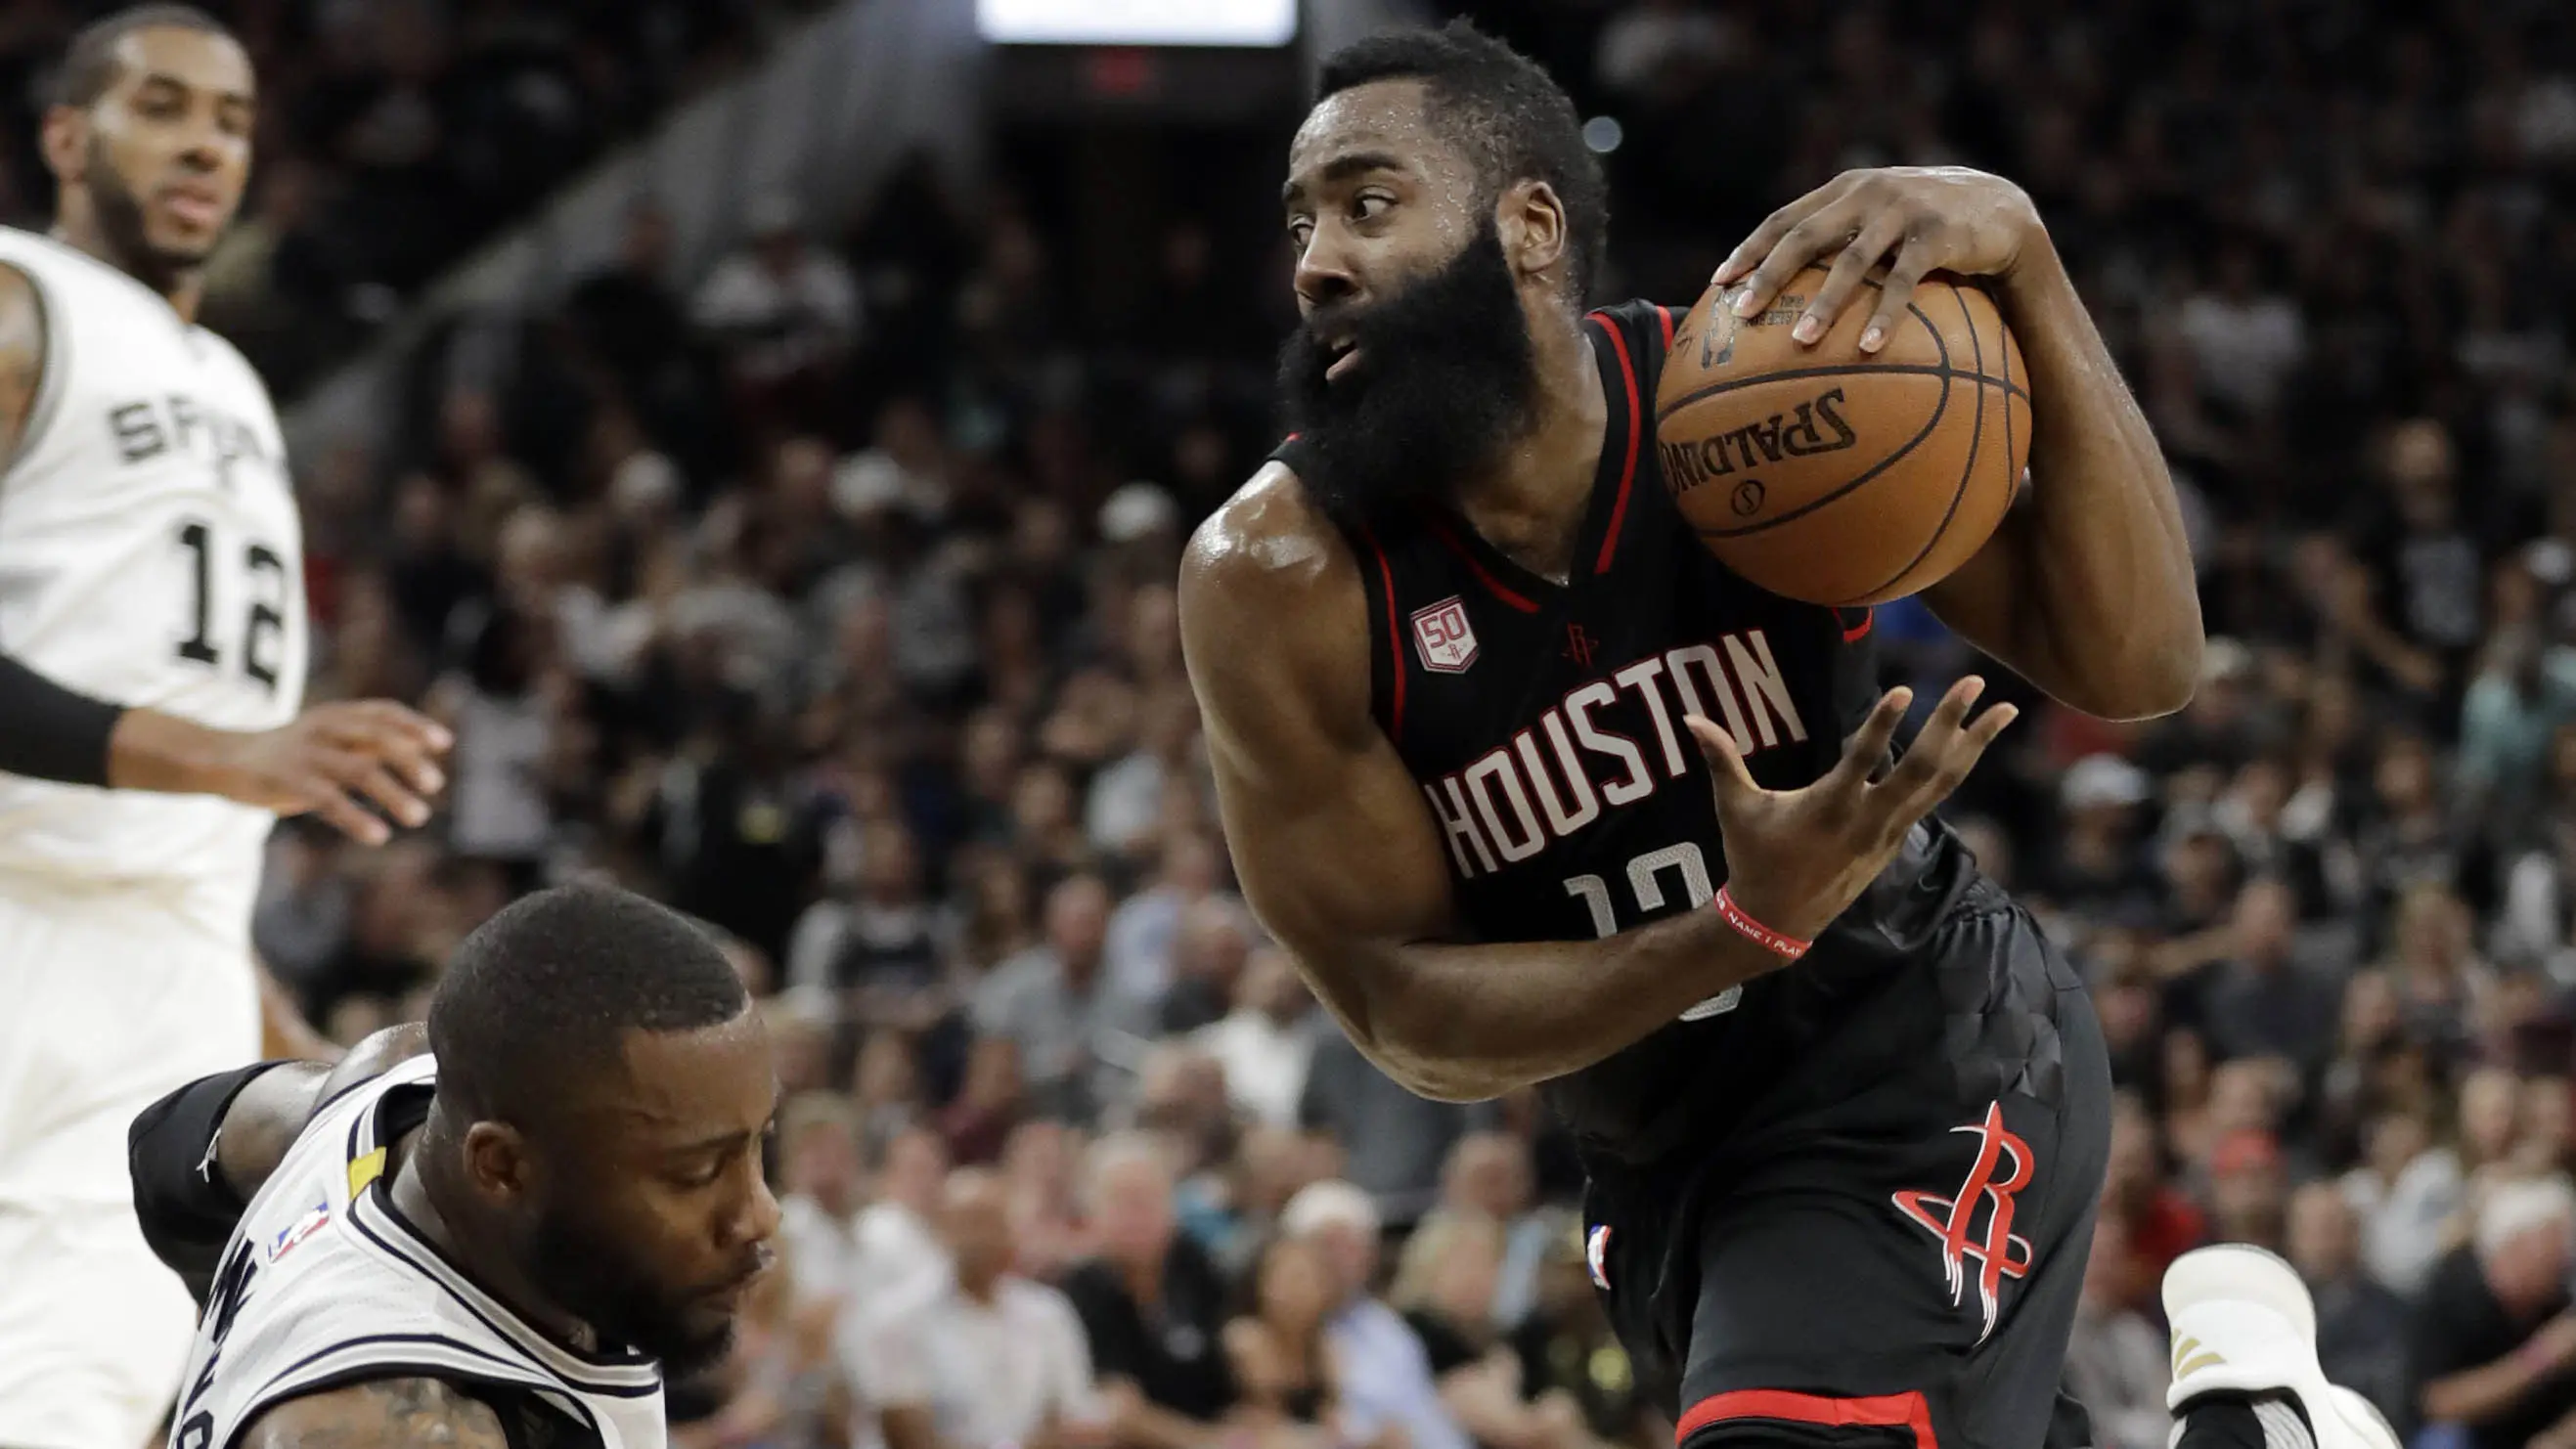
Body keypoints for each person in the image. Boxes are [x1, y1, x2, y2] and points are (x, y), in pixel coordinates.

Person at [1179, 19, 2201, 1447]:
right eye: (1299, 222)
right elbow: (1401, 1007)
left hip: (1916, 1044)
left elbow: (2140, 660)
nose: (1314, 264)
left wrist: (2025, 259)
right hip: (1661, 1161)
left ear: (1529, 228)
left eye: (1366, 202)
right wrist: (1738, 923)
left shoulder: (1746, 413)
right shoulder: (1275, 576)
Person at [0, 10, 452, 1446]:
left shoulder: (236, 386)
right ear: (69, 138)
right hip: (29, 929)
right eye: (163, 107)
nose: (206, 140)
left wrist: (268, 1010)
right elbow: (190, 752)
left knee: (119, 1392)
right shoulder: (22, 307)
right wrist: (233, 755)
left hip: (166, 962)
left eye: (235, 119)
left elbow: (171, 787)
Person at [125, 884, 781, 1447]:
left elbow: (165, 1148)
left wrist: (246, 1323)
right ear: (500, 1167)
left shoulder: (381, 1094)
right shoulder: (397, 1427)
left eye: (759, 1145)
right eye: (694, 1174)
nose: (759, 1214)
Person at [845, 1168, 1104, 1449]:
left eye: (992, 1224)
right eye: (968, 1224)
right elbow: (909, 1435)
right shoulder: (895, 1318)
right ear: (941, 1228)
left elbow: (1074, 1419)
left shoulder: (1049, 1312)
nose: (980, 1239)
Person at [1059, 1134, 1240, 1448]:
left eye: (1149, 1199)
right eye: (1123, 1201)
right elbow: (1118, 1405)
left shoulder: (1195, 1267)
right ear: (1092, 1213)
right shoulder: (1080, 1289)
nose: (1137, 1215)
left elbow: (1232, 1371)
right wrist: (1204, 1442)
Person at [2409, 1175, 2576, 1449]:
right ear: (2514, 1245)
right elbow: (2438, 1403)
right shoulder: (2453, 1291)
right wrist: (2541, 1357)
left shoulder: (2558, 1303)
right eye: (2553, 1244)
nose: (2565, 1257)